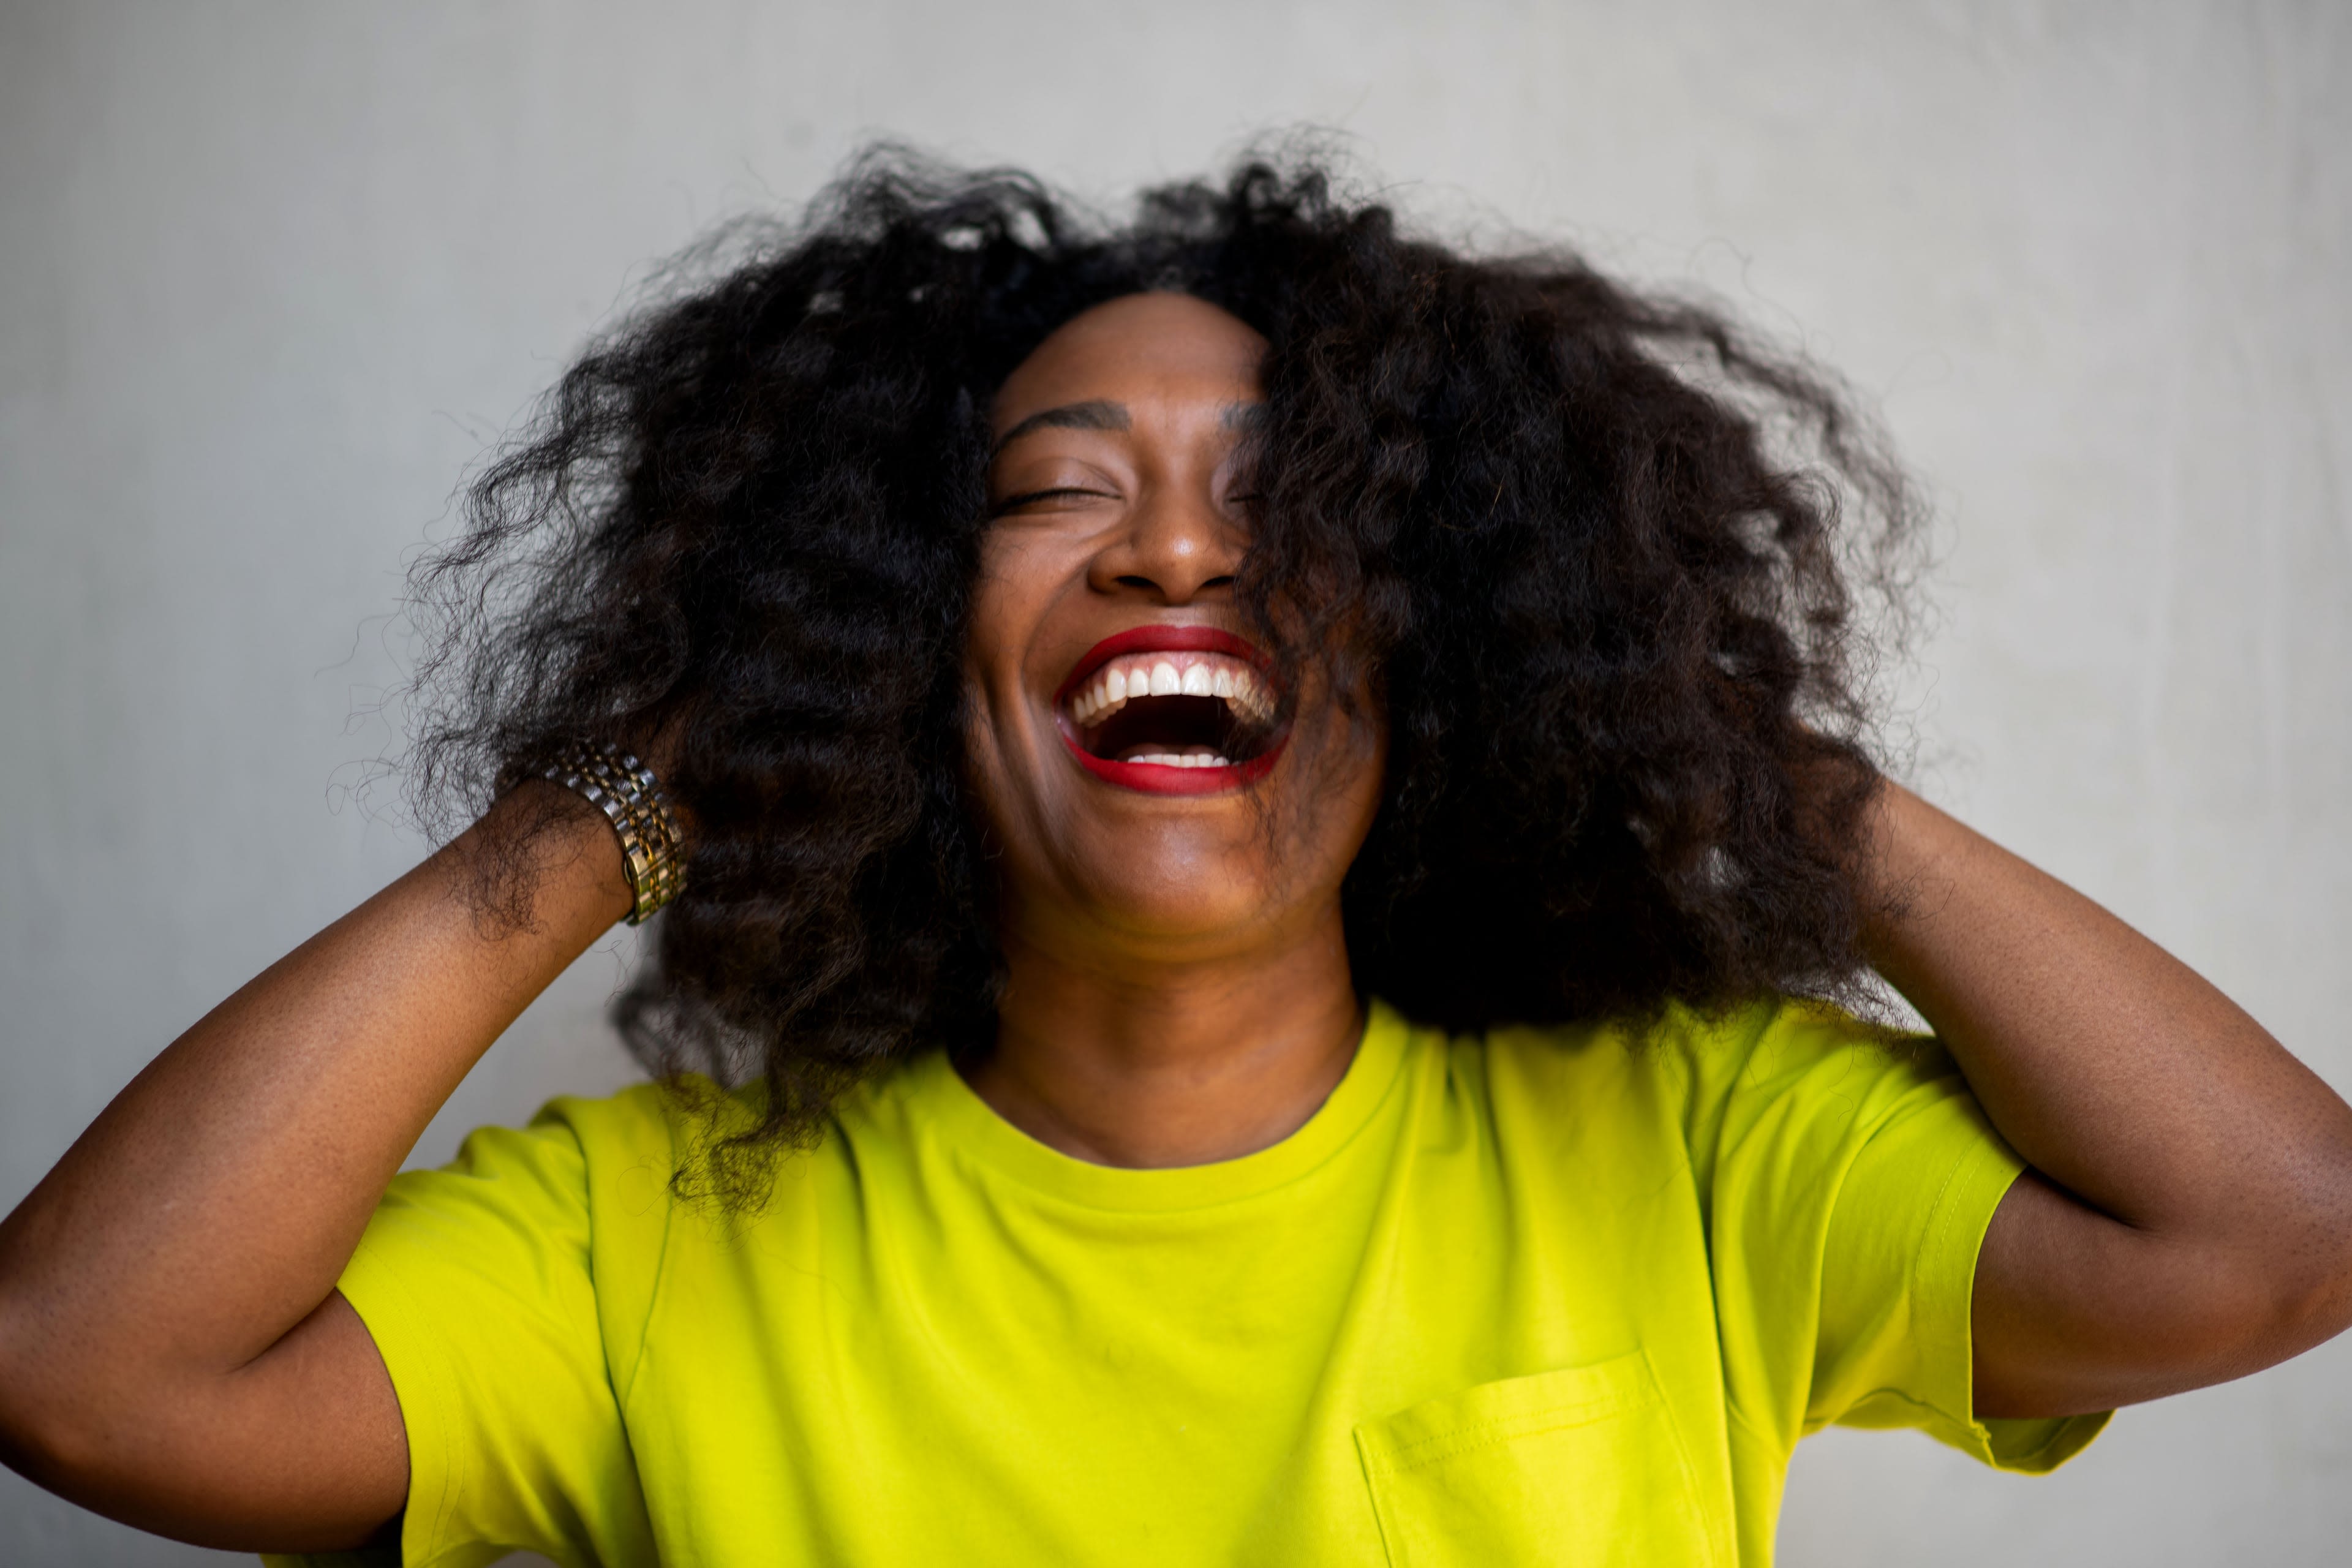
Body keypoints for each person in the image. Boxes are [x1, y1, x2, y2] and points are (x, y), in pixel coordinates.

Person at [2, 150, 2348, 1568]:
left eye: (1291, 504)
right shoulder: (641, 1240)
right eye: (1056, 490)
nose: (1177, 560)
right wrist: (624, 802)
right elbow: (80, 1372)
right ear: (892, 639)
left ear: (1451, 640)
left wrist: (1716, 748)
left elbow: (2277, 1232)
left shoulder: (1698, 1145)